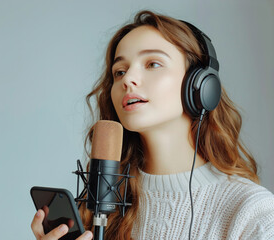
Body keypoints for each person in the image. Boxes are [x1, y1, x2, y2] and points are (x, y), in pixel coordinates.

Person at [32, 10, 274, 240]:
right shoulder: (98, 212)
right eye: (119, 71)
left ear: (200, 85)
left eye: (152, 64)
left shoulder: (252, 212)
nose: (128, 79)